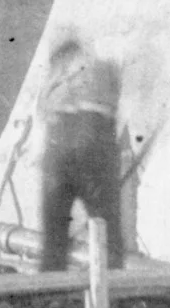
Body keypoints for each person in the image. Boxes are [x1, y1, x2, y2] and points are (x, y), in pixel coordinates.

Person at [35, 29, 124, 272]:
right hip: (93, 145)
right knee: (108, 236)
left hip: (57, 154)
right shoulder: (103, 68)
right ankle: (112, 297)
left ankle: (50, 298)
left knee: (53, 238)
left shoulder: (52, 79)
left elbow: (42, 113)